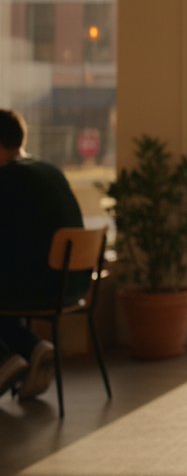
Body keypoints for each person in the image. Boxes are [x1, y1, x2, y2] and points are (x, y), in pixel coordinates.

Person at [0, 109, 82, 400]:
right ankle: (32, 349)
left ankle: (6, 360)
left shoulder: (9, 178)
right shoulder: (49, 171)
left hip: (40, 286)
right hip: (71, 284)